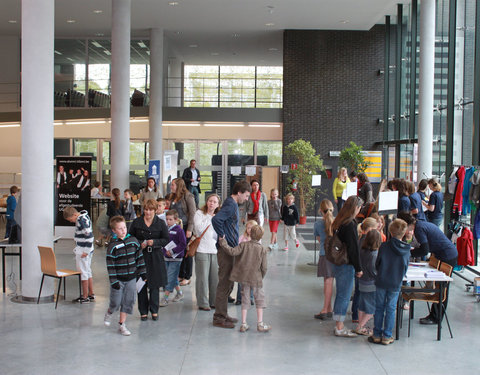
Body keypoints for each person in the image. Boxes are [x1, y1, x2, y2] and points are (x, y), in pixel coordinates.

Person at [396, 212, 458, 325]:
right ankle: (434, 315)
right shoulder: (420, 225)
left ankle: (436, 317)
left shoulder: (419, 229)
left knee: (442, 288)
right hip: (443, 254)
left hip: (447, 256)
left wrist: (408, 253)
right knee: (440, 287)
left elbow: (424, 250)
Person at [212, 180, 251, 329]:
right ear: (239, 193)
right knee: (224, 283)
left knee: (229, 282)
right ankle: (219, 317)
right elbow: (216, 220)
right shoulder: (230, 204)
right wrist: (222, 237)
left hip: (231, 249)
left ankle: (223, 313)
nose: (246, 199)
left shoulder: (232, 204)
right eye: (246, 196)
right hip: (226, 251)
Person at [219, 225, 270, 333]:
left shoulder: (243, 245)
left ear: (250, 234)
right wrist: (261, 276)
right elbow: (264, 267)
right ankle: (260, 323)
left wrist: (223, 242)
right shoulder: (262, 249)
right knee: (259, 299)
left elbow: (232, 251)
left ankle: (243, 323)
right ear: (261, 237)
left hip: (244, 277)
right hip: (256, 278)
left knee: (244, 298)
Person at [368, 219, 410, 345]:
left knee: (379, 307)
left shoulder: (384, 246)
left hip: (382, 280)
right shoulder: (406, 249)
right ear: (403, 233)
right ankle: (387, 335)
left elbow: (377, 263)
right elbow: (405, 267)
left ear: (391, 232)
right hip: (395, 282)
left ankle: (376, 334)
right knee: (391, 308)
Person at [104, 216, 146, 336]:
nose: (123, 230)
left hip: (131, 278)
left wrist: (143, 272)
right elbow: (110, 266)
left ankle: (122, 324)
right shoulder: (112, 247)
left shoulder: (133, 241)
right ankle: (110, 312)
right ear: (114, 231)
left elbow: (139, 258)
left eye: (124, 227)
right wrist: (113, 281)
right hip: (118, 280)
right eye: (120, 228)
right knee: (116, 302)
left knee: (129, 301)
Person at [129, 199, 169, 321]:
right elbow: (130, 238)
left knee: (154, 284)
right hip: (141, 256)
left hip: (155, 256)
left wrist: (155, 242)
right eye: (146, 209)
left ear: (155, 210)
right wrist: (139, 243)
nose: (148, 212)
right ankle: (143, 311)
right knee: (141, 284)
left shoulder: (161, 223)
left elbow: (166, 239)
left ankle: (154, 310)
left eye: (151, 210)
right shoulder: (136, 222)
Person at [331, 195, 363, 337]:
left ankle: (339, 323)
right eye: (359, 208)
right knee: (344, 295)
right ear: (355, 208)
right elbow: (353, 249)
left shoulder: (339, 221)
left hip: (338, 263)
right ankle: (339, 326)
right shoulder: (350, 224)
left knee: (341, 294)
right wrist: (359, 268)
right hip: (346, 264)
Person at [193, 193, 221, 311]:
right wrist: (210, 217)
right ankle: (203, 302)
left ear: (218, 204)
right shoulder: (199, 214)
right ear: (206, 202)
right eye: (210, 201)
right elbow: (199, 229)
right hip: (202, 250)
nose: (212, 203)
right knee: (202, 278)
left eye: (214, 202)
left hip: (215, 250)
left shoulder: (219, 216)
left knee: (215, 278)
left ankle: (213, 301)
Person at [63, 206, 95, 303]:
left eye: (70, 219)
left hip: (83, 250)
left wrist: (85, 251)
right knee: (88, 271)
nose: (71, 221)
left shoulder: (81, 221)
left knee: (83, 272)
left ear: (74, 215)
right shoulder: (84, 217)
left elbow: (89, 237)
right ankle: (91, 293)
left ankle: (85, 297)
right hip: (87, 249)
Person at [170, 177, 196, 286]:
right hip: (176, 228)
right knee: (179, 251)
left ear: (178, 185)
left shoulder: (188, 196)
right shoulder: (173, 196)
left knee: (187, 252)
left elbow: (193, 212)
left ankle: (187, 276)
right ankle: (180, 274)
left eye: (173, 185)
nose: (171, 187)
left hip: (185, 227)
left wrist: (190, 229)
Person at [355, 229, 381, 336]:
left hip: (362, 282)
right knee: (371, 308)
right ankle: (360, 326)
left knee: (362, 305)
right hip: (371, 284)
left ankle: (361, 326)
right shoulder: (374, 254)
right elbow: (374, 270)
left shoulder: (362, 251)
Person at [352, 217, 378, 323]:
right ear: (370, 228)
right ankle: (357, 317)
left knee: (359, 294)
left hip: (360, 272)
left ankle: (356, 315)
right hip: (364, 274)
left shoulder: (361, 239)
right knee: (360, 295)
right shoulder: (365, 241)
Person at [313, 199, 335, 320]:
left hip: (324, 254)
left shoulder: (318, 224)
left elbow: (319, 239)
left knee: (327, 282)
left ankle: (325, 309)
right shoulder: (337, 222)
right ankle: (329, 308)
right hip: (334, 255)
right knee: (329, 281)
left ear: (320, 210)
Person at [161, 209, 187, 305]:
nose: (168, 221)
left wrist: (173, 251)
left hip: (176, 258)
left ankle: (166, 297)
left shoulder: (179, 230)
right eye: (167, 219)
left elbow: (183, 243)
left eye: (170, 219)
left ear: (176, 220)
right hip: (166, 257)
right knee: (173, 276)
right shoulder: (165, 229)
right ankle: (179, 293)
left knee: (170, 277)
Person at [235, 220, 257, 306]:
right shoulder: (242, 238)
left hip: (252, 264)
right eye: (248, 228)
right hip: (242, 263)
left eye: (252, 228)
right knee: (240, 283)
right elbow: (237, 248)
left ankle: (250, 298)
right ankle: (239, 298)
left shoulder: (257, 239)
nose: (250, 230)